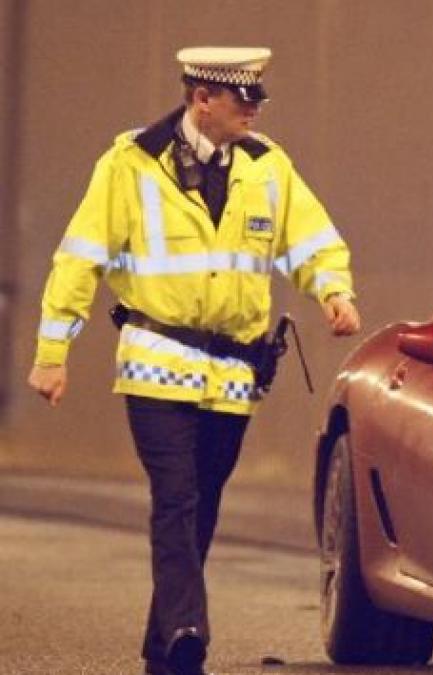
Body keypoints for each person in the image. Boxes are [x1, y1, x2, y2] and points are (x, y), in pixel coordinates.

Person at [26, 46, 361, 675]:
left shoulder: (267, 167)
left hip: (233, 372)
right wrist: (52, 354)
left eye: (258, 99)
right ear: (201, 99)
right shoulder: (131, 164)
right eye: (243, 100)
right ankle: (187, 627)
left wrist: (333, 292)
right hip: (156, 358)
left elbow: (310, 238)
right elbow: (80, 259)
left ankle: (165, 651)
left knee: (204, 500)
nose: (254, 112)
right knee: (175, 496)